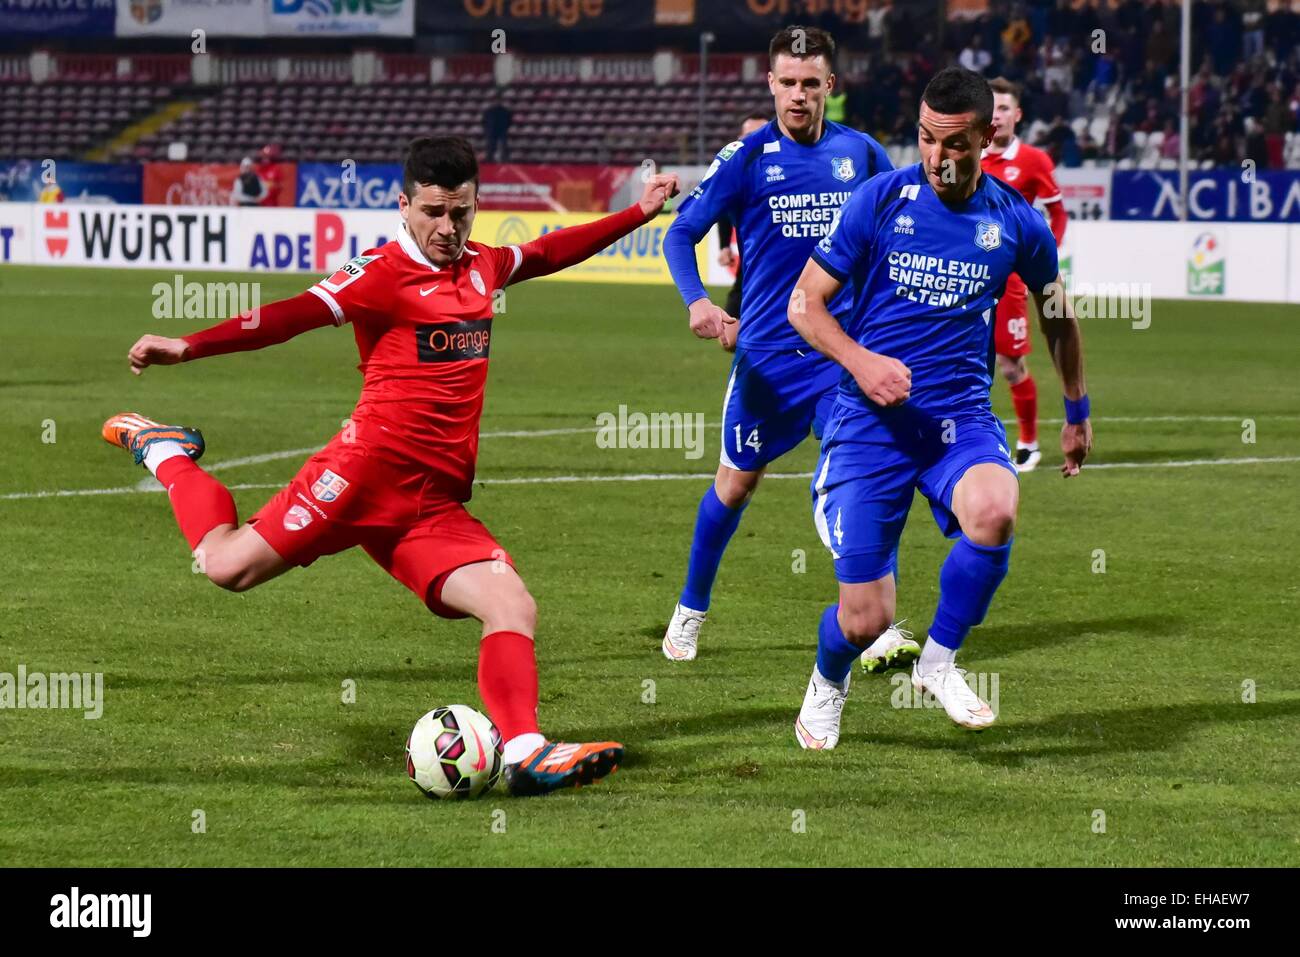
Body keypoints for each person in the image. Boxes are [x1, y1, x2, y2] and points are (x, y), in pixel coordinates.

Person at [101, 136, 680, 796]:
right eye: (433, 211)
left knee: (510, 601)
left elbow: (547, 252)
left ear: (476, 205)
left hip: (428, 503)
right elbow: (290, 316)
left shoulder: (482, 266)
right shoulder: (379, 272)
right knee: (224, 565)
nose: (447, 227)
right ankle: (167, 451)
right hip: (358, 477)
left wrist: (638, 213)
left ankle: (524, 749)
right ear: (402, 205)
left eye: (460, 212)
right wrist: (190, 345)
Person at [787, 68, 1090, 747]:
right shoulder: (880, 199)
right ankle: (827, 679)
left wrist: (1077, 408)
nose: (936, 156)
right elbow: (804, 303)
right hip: (870, 424)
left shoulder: (1016, 220)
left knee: (996, 510)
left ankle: (938, 660)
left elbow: (1057, 314)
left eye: (953, 143)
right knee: (865, 619)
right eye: (926, 139)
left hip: (959, 418)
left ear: (986, 137)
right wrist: (861, 362)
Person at [660, 26, 913, 673]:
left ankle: (876, 624)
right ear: (770, 83)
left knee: (863, 476)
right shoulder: (746, 157)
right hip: (768, 364)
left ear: (831, 85)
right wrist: (698, 301)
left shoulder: (863, 155)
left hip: (838, 359)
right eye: (787, 83)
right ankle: (691, 608)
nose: (797, 95)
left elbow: (898, 237)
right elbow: (680, 234)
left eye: (810, 83)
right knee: (734, 487)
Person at [980, 77, 1067, 472]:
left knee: (1011, 365)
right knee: (962, 360)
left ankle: (1028, 444)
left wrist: (1047, 256)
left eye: (1003, 109)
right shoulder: (970, 155)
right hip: (969, 275)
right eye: (991, 109)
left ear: (1017, 115)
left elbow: (1058, 213)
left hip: (1011, 279)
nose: (996, 116)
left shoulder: (1034, 161)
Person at [714, 112, 770, 321]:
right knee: (730, 334)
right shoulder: (735, 174)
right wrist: (724, 245)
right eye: (749, 136)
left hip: (790, 268)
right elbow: (725, 209)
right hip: (751, 265)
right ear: (739, 140)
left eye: (761, 134)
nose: (754, 141)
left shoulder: (789, 170)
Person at [482, 94, 512, 163]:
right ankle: (489, 159)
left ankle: (504, 159)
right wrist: (487, 129)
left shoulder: (505, 111)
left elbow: (509, 121)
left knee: (504, 145)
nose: (497, 102)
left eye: (499, 100)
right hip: (492, 131)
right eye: (496, 100)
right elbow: (484, 121)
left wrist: (505, 128)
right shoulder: (489, 111)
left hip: (502, 130)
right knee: (490, 146)